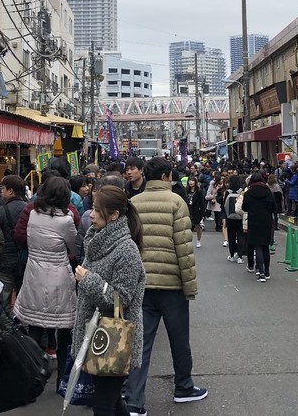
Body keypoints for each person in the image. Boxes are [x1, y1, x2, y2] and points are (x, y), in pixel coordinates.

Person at [124, 158, 205, 415]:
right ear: (168, 175)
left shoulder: (133, 204)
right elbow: (184, 249)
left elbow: (127, 247)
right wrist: (189, 287)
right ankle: (183, 387)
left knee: (141, 343)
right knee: (179, 339)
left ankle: (135, 401)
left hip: (142, 285)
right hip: (171, 284)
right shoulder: (176, 203)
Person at [72, 186, 146, 416]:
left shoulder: (126, 250)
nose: (91, 215)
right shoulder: (96, 240)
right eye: (92, 208)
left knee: (103, 406)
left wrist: (88, 279)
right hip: (97, 336)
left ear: (114, 215)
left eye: (96, 210)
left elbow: (121, 298)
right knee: (111, 403)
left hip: (114, 340)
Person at [13, 175, 77, 387]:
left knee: (35, 326)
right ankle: (62, 378)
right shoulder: (66, 220)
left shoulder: (32, 214)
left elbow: (23, 239)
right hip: (59, 277)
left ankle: (33, 378)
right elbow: (74, 248)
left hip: (34, 275)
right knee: (65, 329)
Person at [0, 173, 28, 315]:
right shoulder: (29, 209)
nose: (1, 191)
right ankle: (20, 328)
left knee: (2, 299)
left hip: (5, 260)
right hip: (24, 259)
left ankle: (8, 329)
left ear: (11, 191)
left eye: (3, 189)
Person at [241, 171, 276, 281]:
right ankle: (267, 272)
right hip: (266, 221)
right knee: (265, 247)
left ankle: (260, 272)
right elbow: (274, 207)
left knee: (257, 247)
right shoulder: (268, 192)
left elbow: (244, 207)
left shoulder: (248, 193)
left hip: (254, 221)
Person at [224, 175, 245, 263]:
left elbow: (224, 205)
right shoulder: (241, 192)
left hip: (230, 217)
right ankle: (240, 256)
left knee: (231, 236)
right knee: (241, 236)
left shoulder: (228, 192)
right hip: (240, 217)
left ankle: (232, 255)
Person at [186, 176, 206, 248]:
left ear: (195, 182)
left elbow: (202, 202)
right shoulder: (186, 190)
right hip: (188, 209)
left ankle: (198, 240)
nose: (191, 182)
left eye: (192, 180)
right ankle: (187, 241)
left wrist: (203, 213)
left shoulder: (199, 191)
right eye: (190, 180)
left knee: (197, 226)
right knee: (187, 226)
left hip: (197, 210)